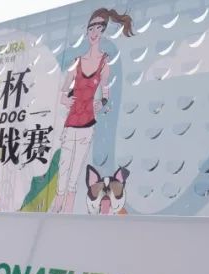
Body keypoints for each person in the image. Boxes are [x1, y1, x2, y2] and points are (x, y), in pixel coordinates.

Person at [51, 8, 134, 214]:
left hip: (87, 124)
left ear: (104, 31)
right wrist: (65, 99)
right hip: (71, 122)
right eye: (91, 27)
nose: (94, 32)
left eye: (99, 27)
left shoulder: (104, 63)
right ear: (86, 30)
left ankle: (67, 212)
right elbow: (63, 91)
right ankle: (56, 208)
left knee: (75, 174)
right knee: (63, 169)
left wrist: (102, 102)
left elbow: (106, 92)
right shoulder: (77, 62)